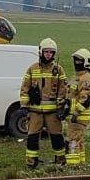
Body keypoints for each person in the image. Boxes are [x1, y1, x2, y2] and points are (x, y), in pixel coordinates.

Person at [20, 37, 67, 168]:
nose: (48, 54)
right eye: (46, 52)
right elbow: (25, 88)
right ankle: (31, 162)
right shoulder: (32, 69)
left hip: (53, 112)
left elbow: (63, 89)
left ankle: (60, 161)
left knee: (57, 137)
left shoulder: (59, 70)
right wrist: (24, 106)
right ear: (41, 52)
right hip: (35, 111)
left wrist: (61, 108)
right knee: (32, 137)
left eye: (51, 52)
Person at [64, 48, 90, 167]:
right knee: (79, 141)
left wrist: (76, 113)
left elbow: (85, 99)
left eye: (79, 60)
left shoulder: (86, 78)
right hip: (73, 116)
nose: (76, 62)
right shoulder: (76, 77)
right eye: (75, 60)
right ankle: (81, 165)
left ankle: (72, 167)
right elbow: (70, 94)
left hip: (78, 117)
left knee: (72, 141)